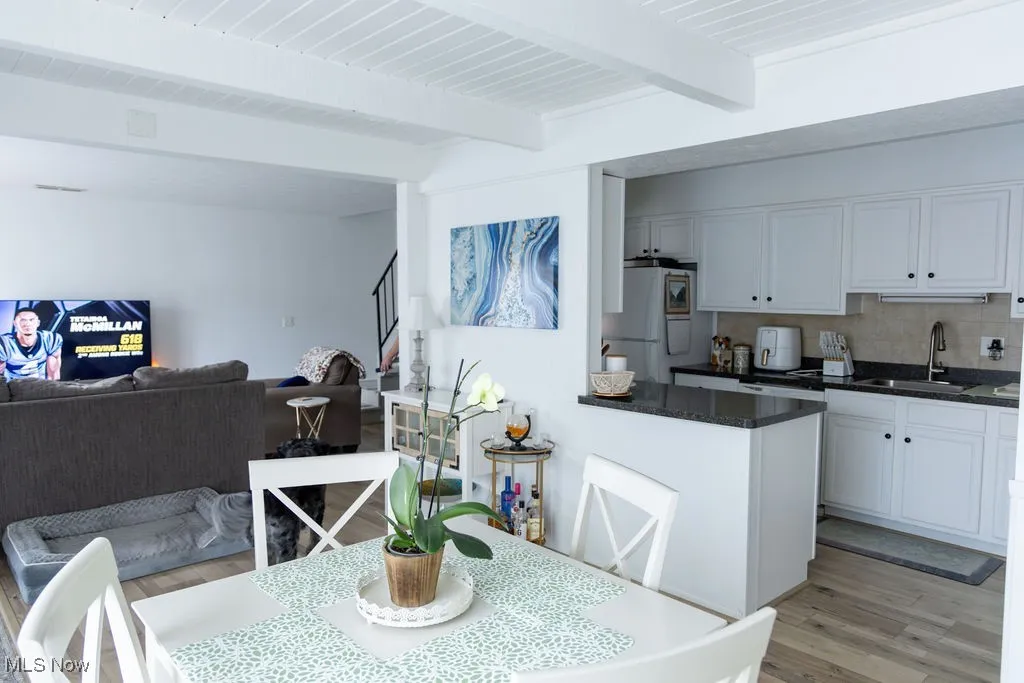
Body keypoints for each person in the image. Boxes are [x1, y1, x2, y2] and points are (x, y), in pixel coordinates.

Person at [0, 307, 63, 380]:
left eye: (31, 320)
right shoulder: (4, 343)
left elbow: (54, 375)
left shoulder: (51, 340)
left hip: (40, 387)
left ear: (38, 323)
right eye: (22, 320)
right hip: (12, 387)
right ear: (15, 323)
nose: (27, 324)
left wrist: (50, 390)